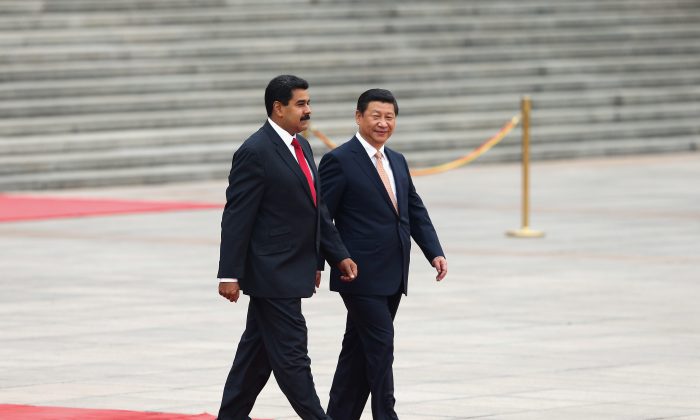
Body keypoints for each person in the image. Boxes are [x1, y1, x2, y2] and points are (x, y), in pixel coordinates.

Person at [216, 74, 358, 420]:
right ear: (278, 108)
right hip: (271, 272)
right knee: (293, 356)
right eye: (301, 104)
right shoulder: (255, 151)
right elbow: (237, 217)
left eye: (309, 103)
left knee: (257, 353)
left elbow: (316, 209)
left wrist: (336, 254)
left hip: (293, 267)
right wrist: (229, 274)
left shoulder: (302, 146)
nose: (308, 110)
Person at [318, 89, 447, 420]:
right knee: (380, 346)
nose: (383, 123)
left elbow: (413, 210)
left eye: (389, 117)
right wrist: (321, 261)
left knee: (357, 351)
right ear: (358, 117)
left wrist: (433, 251)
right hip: (357, 274)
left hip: (393, 273)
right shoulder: (340, 160)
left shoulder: (397, 160)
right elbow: (319, 215)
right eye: (376, 115)